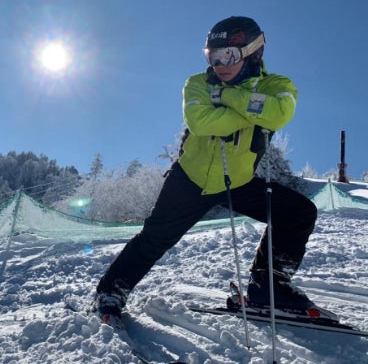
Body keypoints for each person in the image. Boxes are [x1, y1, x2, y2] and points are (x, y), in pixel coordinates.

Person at [92, 16, 318, 324]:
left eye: (229, 55)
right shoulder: (197, 83)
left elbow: (278, 114)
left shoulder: (276, 86)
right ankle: (111, 291)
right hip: (190, 179)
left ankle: (269, 286)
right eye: (213, 56)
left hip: (237, 181)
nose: (220, 65)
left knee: (298, 212)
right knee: (155, 238)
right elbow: (200, 122)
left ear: (253, 52)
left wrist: (225, 97)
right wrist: (253, 111)